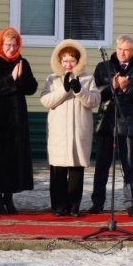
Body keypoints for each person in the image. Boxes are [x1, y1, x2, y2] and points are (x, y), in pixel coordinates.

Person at [89, 34, 133, 217]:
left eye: (126, 50)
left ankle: (130, 203)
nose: (122, 53)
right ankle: (97, 202)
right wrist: (113, 86)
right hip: (107, 120)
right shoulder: (103, 67)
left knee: (129, 166)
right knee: (102, 165)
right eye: (119, 49)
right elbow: (95, 94)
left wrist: (127, 88)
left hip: (130, 121)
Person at [0, 27, 38, 214]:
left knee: (13, 158)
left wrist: (20, 78)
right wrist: (11, 79)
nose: (11, 49)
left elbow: (32, 88)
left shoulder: (22, 63)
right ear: (0, 44)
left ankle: (9, 198)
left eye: (14, 45)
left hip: (16, 118)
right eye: (8, 45)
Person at [40, 39, 100, 217]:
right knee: (58, 171)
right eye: (65, 60)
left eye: (72, 60)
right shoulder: (53, 79)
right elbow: (46, 100)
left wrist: (80, 90)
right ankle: (58, 206)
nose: (68, 64)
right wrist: (64, 90)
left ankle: (73, 206)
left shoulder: (88, 79)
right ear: (59, 61)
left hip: (79, 131)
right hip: (59, 132)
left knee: (76, 170)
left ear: (78, 61)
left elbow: (94, 101)